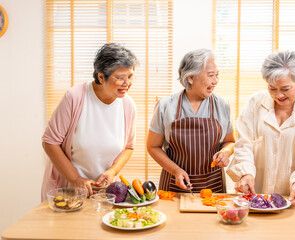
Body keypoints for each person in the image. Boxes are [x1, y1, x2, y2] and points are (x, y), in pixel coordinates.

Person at [226, 50, 295, 205]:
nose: (278, 95)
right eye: (272, 88)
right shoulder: (255, 103)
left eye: (285, 89)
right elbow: (244, 144)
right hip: (258, 198)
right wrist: (246, 173)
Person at [41, 43, 137, 201]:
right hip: (68, 191)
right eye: (120, 78)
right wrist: (76, 180)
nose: (127, 83)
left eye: (130, 76)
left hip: (103, 195)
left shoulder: (128, 105)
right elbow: (49, 142)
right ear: (101, 77)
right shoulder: (75, 97)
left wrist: (112, 171)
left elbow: (129, 147)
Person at [147, 49, 235, 193]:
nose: (215, 81)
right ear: (191, 78)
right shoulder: (165, 106)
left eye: (217, 75)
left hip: (213, 187)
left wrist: (225, 152)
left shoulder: (222, 105)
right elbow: (153, 146)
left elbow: (230, 141)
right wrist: (175, 170)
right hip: (173, 185)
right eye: (211, 75)